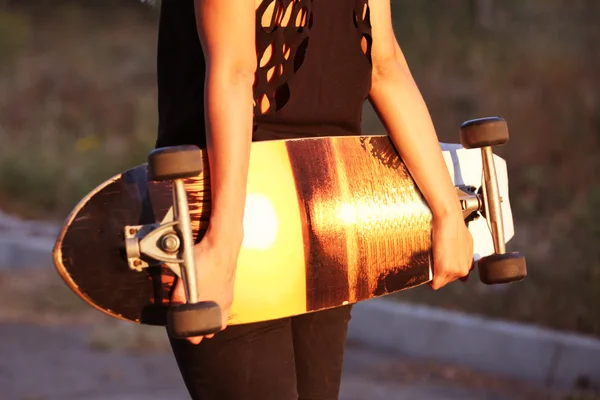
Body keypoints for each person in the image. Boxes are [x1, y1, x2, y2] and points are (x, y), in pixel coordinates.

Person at [153, 0, 474, 399]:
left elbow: (384, 64)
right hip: (229, 208)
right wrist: (222, 246)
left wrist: (448, 213)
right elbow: (235, 73)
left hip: (328, 212)